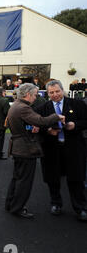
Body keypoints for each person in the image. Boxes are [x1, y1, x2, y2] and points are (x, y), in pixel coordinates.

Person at [5, 83, 64, 219]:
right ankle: (18, 208)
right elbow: (41, 121)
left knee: (17, 179)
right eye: (35, 95)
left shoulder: (16, 105)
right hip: (25, 149)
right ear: (28, 94)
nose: (36, 98)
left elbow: (20, 125)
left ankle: (11, 204)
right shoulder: (24, 108)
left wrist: (30, 128)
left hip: (18, 147)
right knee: (24, 181)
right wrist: (57, 116)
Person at [34, 80, 87, 221]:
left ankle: (80, 208)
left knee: (76, 179)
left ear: (62, 90)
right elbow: (36, 127)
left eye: (57, 91)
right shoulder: (42, 108)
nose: (55, 95)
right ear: (47, 94)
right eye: (51, 92)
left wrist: (75, 125)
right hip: (52, 150)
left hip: (74, 149)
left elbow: (86, 121)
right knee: (53, 178)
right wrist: (48, 130)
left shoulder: (78, 104)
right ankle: (56, 203)